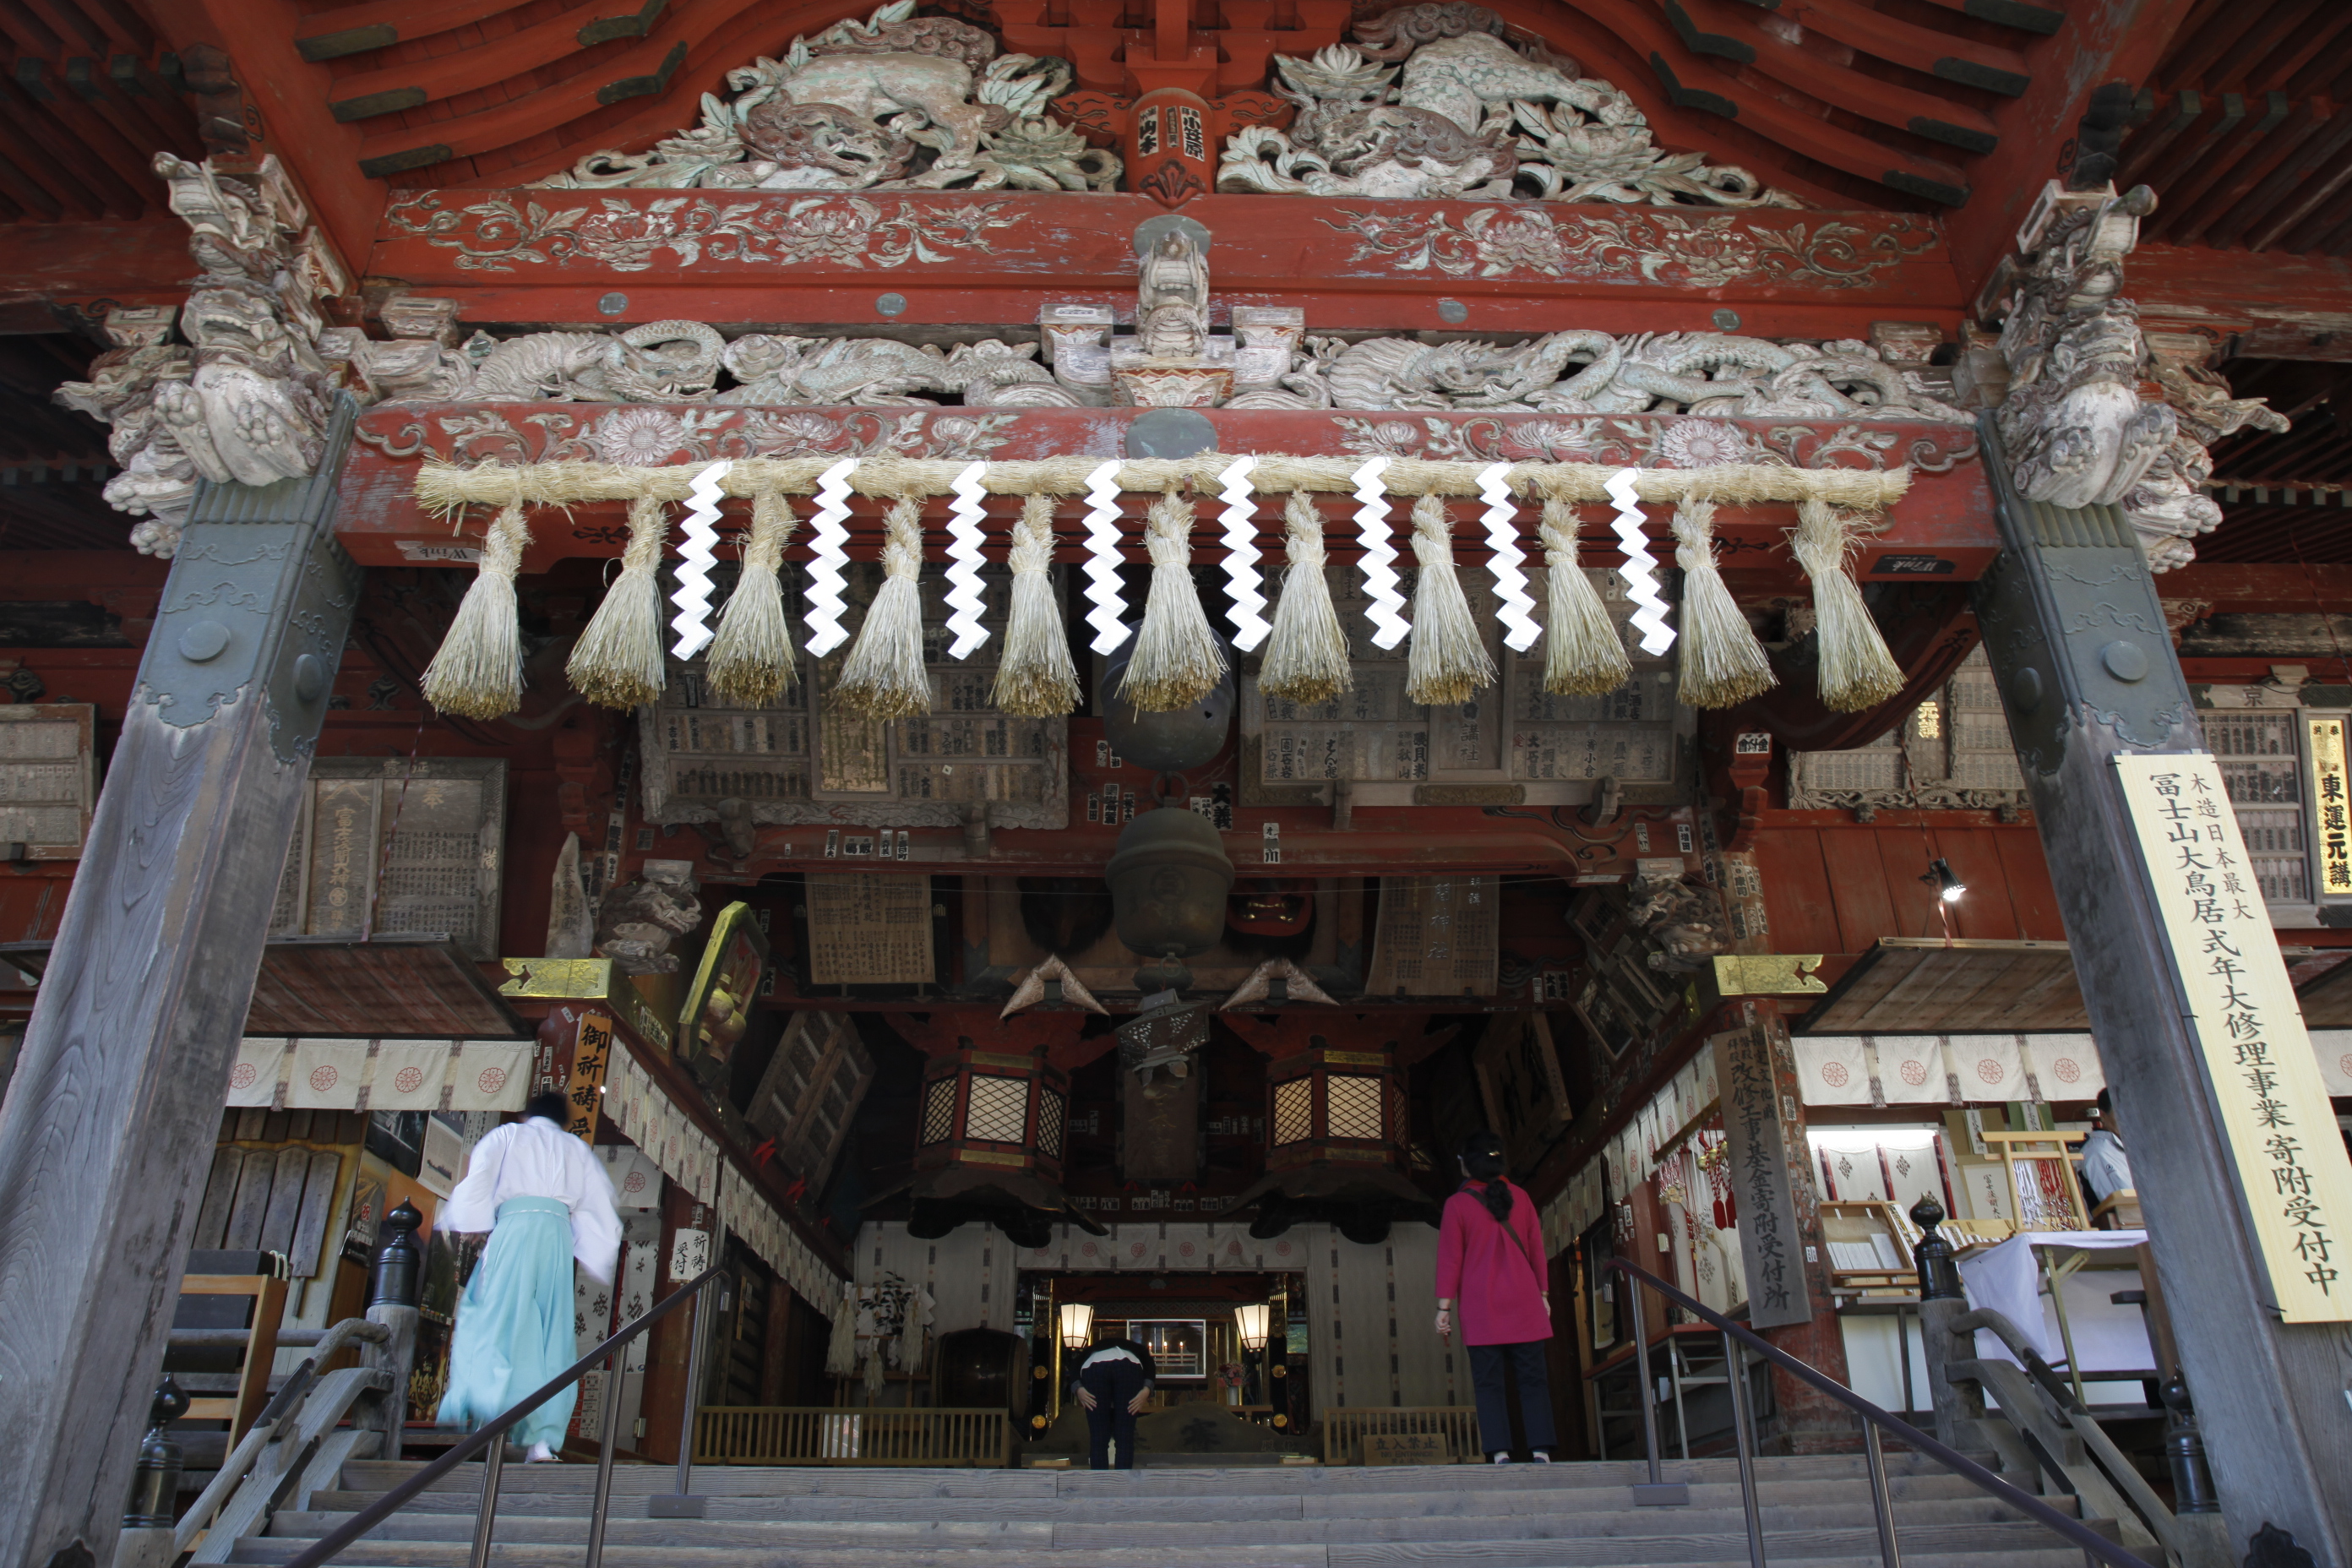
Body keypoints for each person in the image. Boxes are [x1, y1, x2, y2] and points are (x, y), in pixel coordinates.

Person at [437, 1090, 623, 1462]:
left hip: (515, 1232)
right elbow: (598, 1205)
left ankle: (484, 1416)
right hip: (555, 1241)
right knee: (550, 1335)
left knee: (495, 1319)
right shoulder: (577, 1150)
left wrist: (471, 1221)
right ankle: (541, 1440)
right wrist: (594, 1254)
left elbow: (480, 1177)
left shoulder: (507, 1136)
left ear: (528, 1114)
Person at [1435, 1130, 1556, 1463]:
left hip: (1481, 1308)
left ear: (1467, 1166)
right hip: (1525, 1303)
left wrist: (1443, 1307)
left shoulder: (1457, 1205)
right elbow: (1535, 1249)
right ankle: (1541, 1450)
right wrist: (1543, 1293)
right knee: (1533, 1380)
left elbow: (1450, 1258)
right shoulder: (1522, 1197)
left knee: (1489, 1384)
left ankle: (1500, 1452)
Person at [1073, 1329, 1157, 1470]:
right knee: (1124, 1434)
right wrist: (1146, 1390)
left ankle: (1099, 1483)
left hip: (1094, 1367)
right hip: (1129, 1366)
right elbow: (1149, 1363)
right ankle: (1122, 1484)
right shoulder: (1136, 1348)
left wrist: (1078, 1388)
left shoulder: (1091, 1349)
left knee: (1098, 1435)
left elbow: (1076, 1364)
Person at [2079, 1088, 2134, 1208]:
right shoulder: (2098, 1151)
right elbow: (2123, 1205)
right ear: (2103, 1115)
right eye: (2120, 1113)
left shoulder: (2132, 1146)